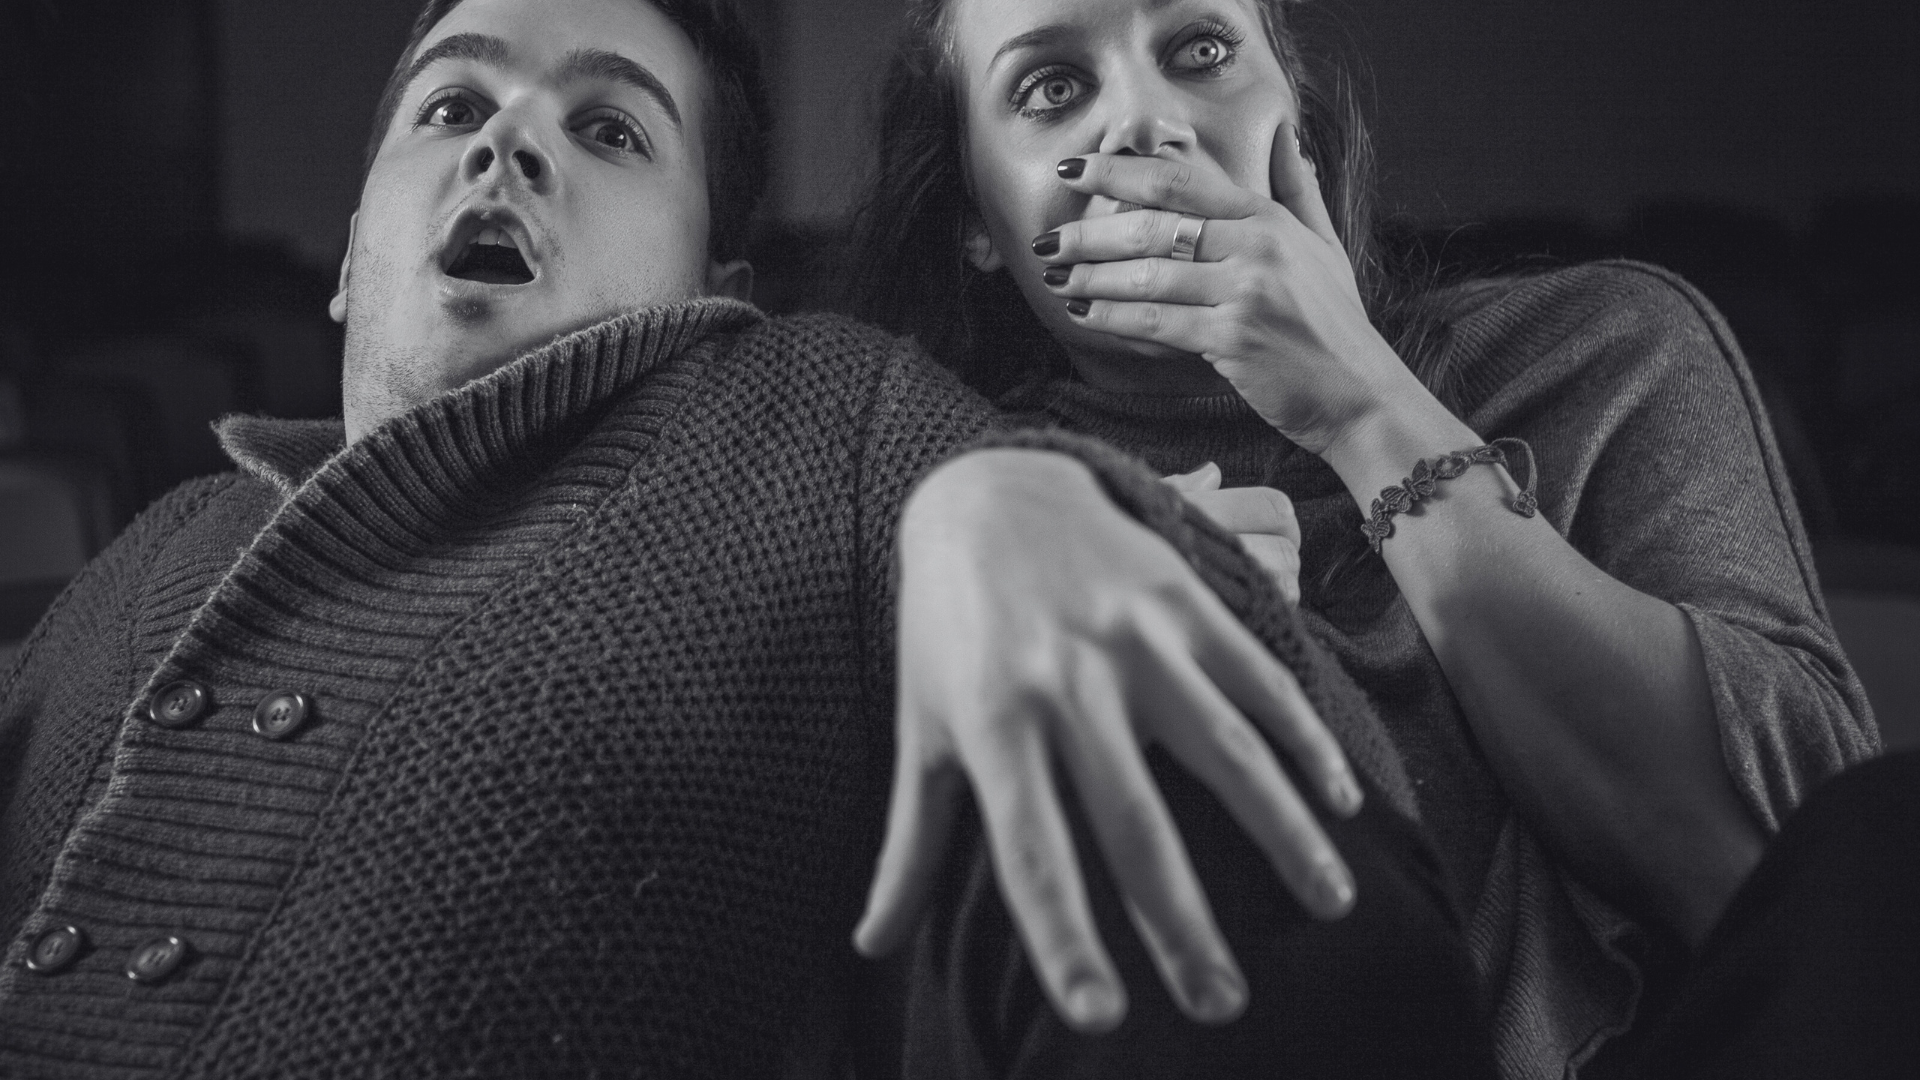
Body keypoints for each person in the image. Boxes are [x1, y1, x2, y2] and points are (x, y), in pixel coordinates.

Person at [0, 0, 1481, 1075]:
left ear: (712, 283)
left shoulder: (811, 417)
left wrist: (1020, 497)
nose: (508, 143)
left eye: (610, 129)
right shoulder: (158, 548)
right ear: (344, 257)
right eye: (451, 107)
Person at [844, 0, 1879, 1074]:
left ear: (1295, 109)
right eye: (1052, 88)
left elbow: (1805, 880)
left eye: (1201, 50)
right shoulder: (936, 500)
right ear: (975, 217)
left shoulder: (1605, 353)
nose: (1146, 120)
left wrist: (1361, 403)